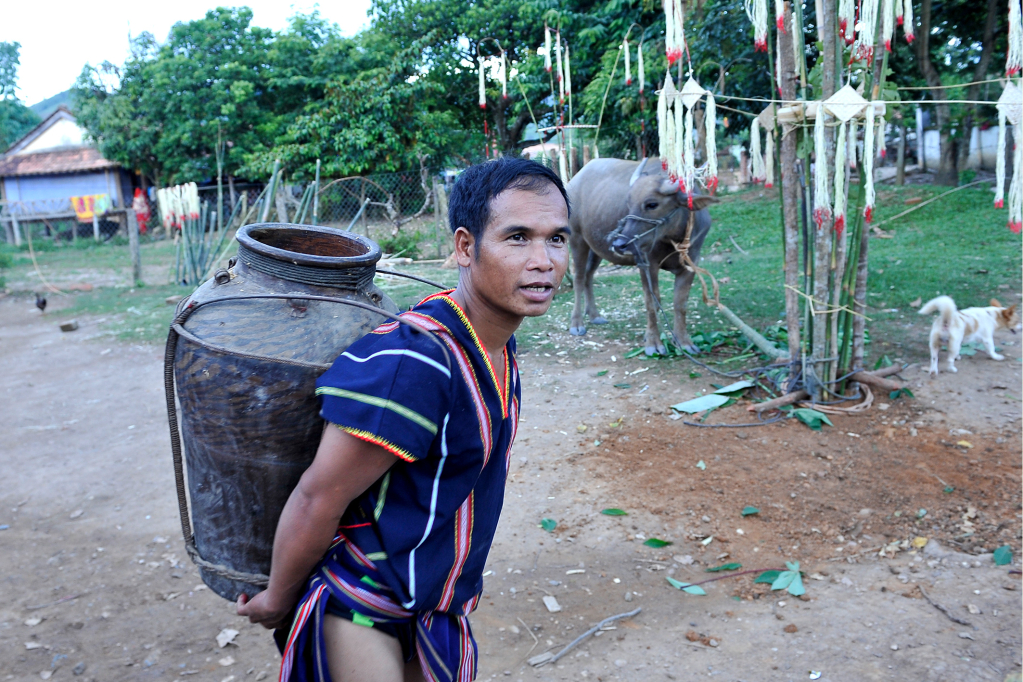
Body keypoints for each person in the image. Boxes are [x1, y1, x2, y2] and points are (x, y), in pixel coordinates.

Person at [237, 157, 571, 682]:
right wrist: (276, 599)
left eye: (556, 239)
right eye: (517, 238)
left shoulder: (495, 351)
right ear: (465, 247)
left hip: (433, 605)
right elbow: (318, 495)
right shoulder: (416, 362)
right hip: (363, 599)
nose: (543, 260)